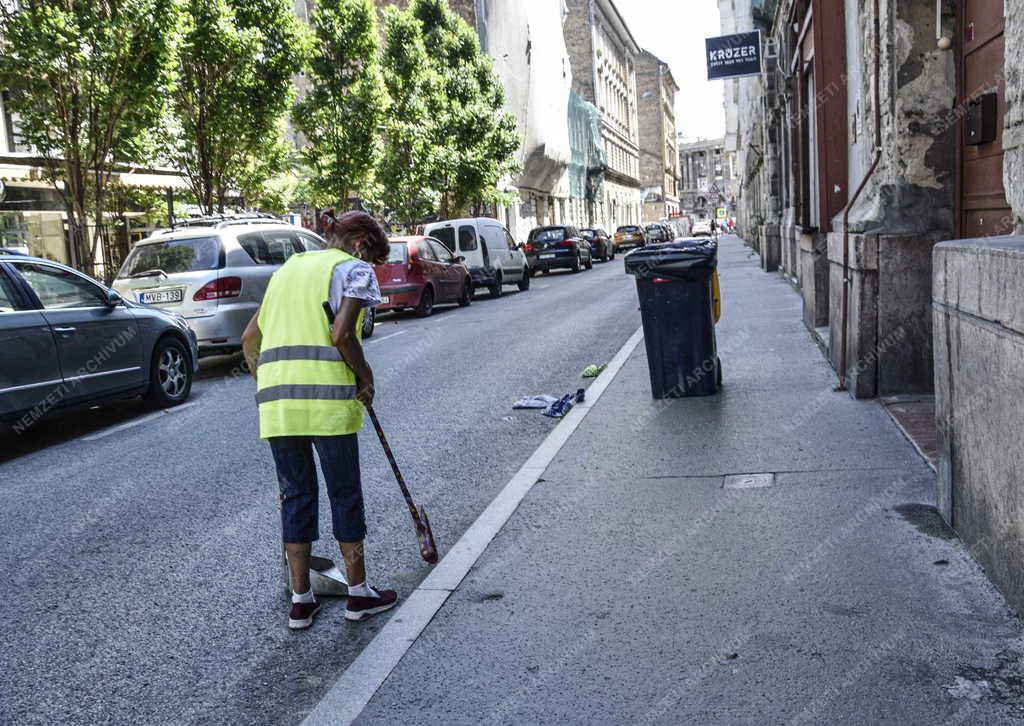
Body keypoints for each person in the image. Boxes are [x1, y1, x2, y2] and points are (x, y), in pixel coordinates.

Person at [241, 211, 397, 630]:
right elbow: (342, 335)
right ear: (362, 244)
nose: (374, 271)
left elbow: (248, 340)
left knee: (296, 496)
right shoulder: (353, 270)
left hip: (278, 405)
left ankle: (301, 600)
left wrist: (272, 381)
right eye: (376, 259)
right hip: (328, 400)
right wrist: (366, 378)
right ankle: (359, 594)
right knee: (344, 493)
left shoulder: (288, 270)